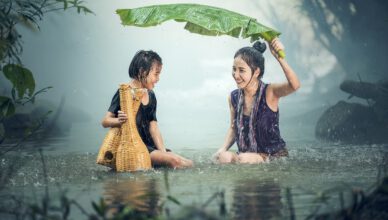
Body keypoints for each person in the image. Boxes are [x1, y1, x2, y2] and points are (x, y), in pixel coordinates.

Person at [213, 38, 300, 164]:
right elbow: (234, 128)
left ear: (256, 72)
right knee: (224, 157)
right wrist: (221, 149)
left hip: (273, 157)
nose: (236, 75)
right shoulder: (233, 97)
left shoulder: (270, 92)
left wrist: (279, 58)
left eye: (241, 70)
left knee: (243, 159)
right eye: (234, 69)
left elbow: (294, 85)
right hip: (246, 156)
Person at [101, 50, 193, 169]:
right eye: (156, 74)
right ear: (142, 72)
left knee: (187, 162)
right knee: (175, 161)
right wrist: (119, 121)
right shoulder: (124, 93)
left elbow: (153, 128)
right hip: (135, 148)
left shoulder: (151, 95)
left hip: (150, 147)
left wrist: (163, 152)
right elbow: (105, 121)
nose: (158, 78)